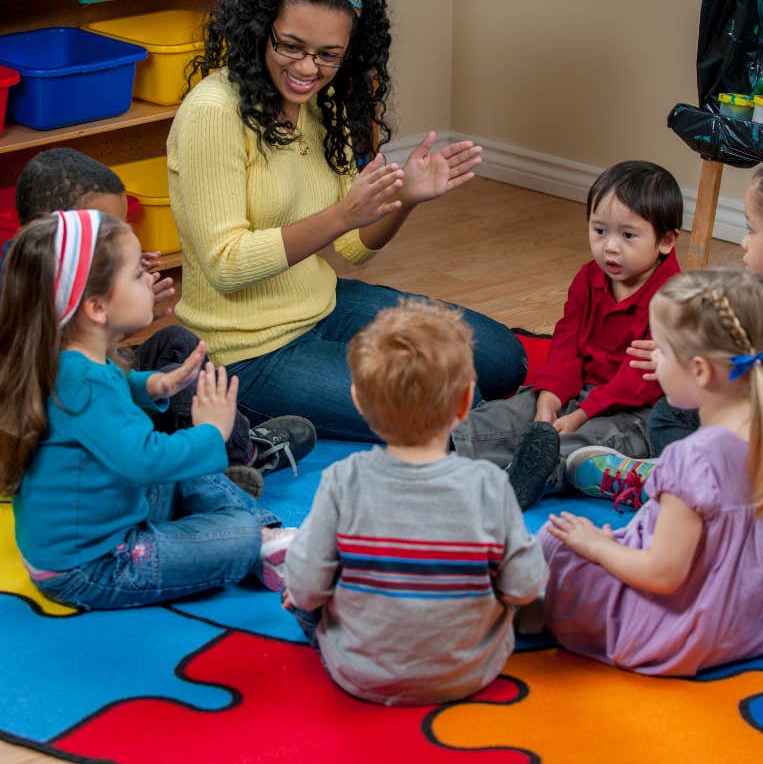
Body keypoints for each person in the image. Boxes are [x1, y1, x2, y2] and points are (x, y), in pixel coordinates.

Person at [167, 0, 526, 441]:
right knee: (436, 410)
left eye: (327, 55)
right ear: (259, 29)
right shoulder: (213, 114)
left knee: (501, 359)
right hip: (246, 352)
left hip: (325, 305)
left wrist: (404, 199)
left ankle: (486, 428)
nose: (307, 69)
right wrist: (343, 214)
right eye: (291, 46)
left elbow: (353, 247)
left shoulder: (323, 104)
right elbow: (226, 266)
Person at [541, 267, 763, 676]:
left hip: (685, 634)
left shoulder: (692, 458)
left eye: (660, 349)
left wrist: (596, 547)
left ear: (699, 371)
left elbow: (662, 573)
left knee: (558, 546)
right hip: (762, 625)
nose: (653, 359)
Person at [0, 210, 297, 610]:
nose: (150, 281)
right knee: (235, 530)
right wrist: (212, 431)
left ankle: (265, 540)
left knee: (187, 466)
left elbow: (109, 396)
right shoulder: (85, 383)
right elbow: (145, 460)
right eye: (137, 276)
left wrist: (153, 384)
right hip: (95, 564)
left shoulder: (65, 359)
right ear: (97, 308)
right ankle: (258, 540)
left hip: (107, 519)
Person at [571, 157, 763, 548]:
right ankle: (678, 479)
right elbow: (750, 360)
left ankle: (667, 484)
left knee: (713, 440)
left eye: (752, 230)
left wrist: (709, 391)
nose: (743, 242)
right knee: (670, 413)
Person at [3, 148, 317, 494]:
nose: (117, 237)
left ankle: (228, 456)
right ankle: (217, 464)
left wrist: (126, 302)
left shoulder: (69, 276)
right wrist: (118, 320)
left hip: (96, 396)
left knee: (175, 343)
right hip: (72, 425)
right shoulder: (19, 289)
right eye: (106, 229)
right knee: (178, 381)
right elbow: (68, 381)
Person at [282, 298, 548, 705]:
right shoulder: (488, 484)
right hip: (470, 670)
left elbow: (306, 585)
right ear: (465, 403)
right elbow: (525, 583)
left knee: (302, 593)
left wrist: (307, 595)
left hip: (360, 672)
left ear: (359, 402)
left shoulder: (343, 480)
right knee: (513, 574)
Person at [450, 160, 682, 508]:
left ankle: (528, 478)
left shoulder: (675, 299)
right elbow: (567, 342)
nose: (610, 247)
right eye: (599, 231)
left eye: (628, 236)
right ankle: (449, 442)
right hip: (581, 392)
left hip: (636, 410)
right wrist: (551, 399)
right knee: (516, 412)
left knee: (590, 443)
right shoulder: (588, 279)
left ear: (665, 240)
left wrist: (580, 416)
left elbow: (638, 380)